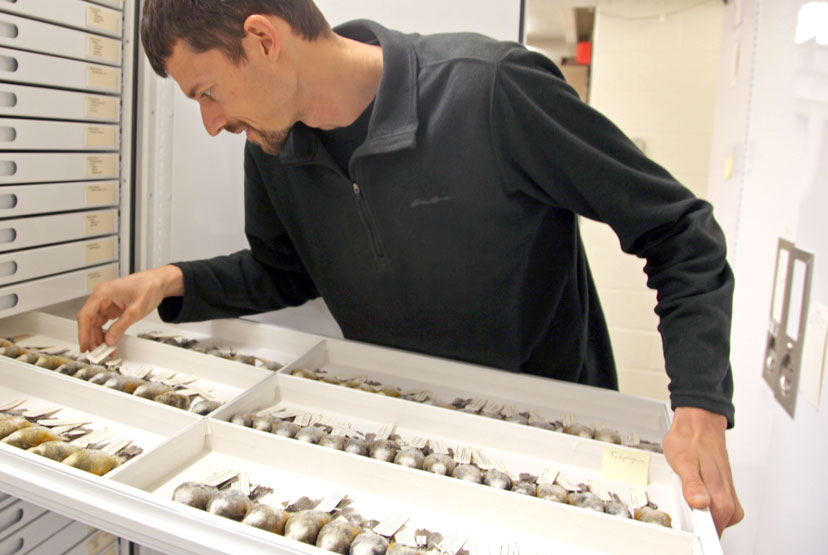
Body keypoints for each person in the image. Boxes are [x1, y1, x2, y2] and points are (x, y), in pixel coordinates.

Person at [77, 0, 742, 534]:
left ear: (263, 38)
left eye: (208, 91)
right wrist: (171, 281)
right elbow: (285, 273)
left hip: (552, 443)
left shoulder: (491, 90)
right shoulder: (274, 151)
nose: (211, 120)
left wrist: (699, 405)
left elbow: (679, 229)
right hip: (408, 444)